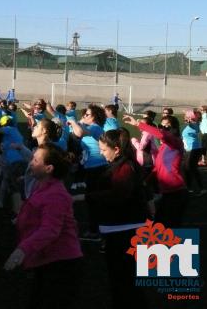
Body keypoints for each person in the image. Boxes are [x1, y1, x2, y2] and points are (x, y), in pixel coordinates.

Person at [73, 129, 149, 309]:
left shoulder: (125, 167)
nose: (101, 152)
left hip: (126, 230)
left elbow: (119, 194)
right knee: (122, 279)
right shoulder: (121, 164)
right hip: (121, 228)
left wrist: (85, 197)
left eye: (103, 149)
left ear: (116, 149)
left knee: (124, 279)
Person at [4, 143, 83, 309]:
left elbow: (50, 230)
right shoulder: (42, 187)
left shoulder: (55, 193)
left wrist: (22, 250)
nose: (31, 163)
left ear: (49, 169)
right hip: (47, 260)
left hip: (60, 264)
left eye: (35, 160)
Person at [123, 114, 187, 227]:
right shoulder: (164, 147)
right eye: (161, 126)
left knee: (172, 227)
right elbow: (157, 167)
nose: (163, 129)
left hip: (176, 192)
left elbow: (161, 134)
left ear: (175, 129)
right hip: (167, 192)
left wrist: (139, 124)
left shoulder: (176, 142)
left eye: (167, 127)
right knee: (160, 224)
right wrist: (146, 181)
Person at [67, 104, 107, 241]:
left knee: (94, 200)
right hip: (94, 167)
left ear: (94, 117)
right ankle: (98, 229)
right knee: (95, 200)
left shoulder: (95, 127)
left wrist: (73, 121)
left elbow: (78, 133)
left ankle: (95, 232)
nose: (84, 116)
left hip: (98, 169)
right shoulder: (91, 127)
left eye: (87, 114)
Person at [182, 110, 206, 196]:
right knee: (190, 169)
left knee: (189, 169)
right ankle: (192, 188)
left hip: (193, 150)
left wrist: (190, 121)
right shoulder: (194, 124)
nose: (184, 116)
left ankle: (191, 188)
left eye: (186, 115)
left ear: (190, 117)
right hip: (192, 149)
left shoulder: (193, 125)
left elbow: (191, 125)